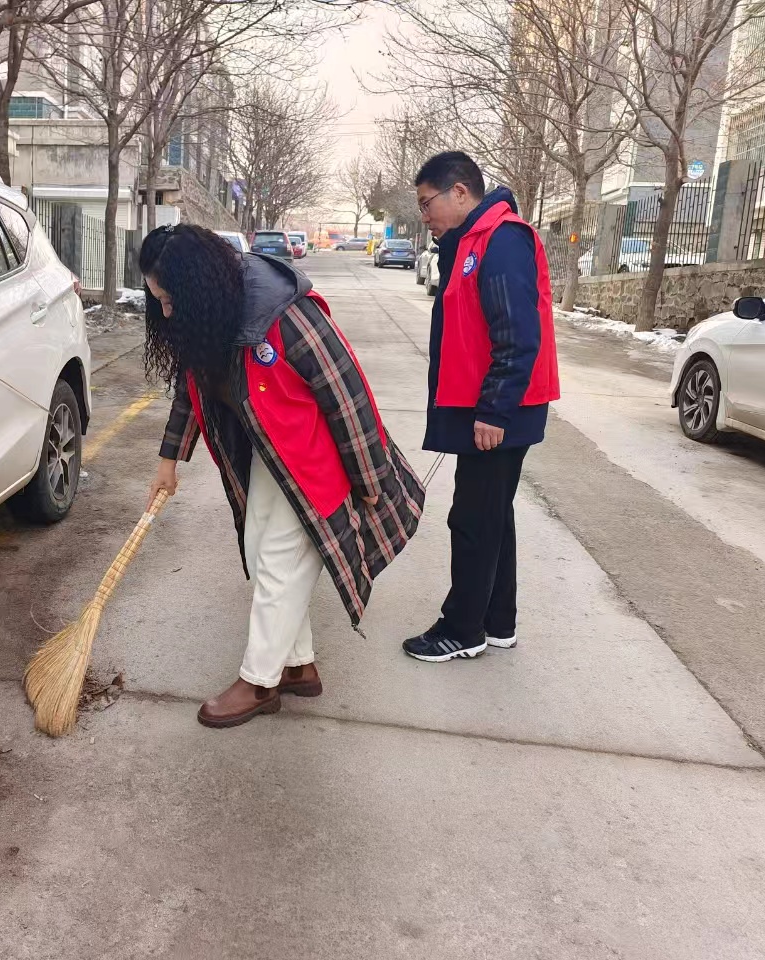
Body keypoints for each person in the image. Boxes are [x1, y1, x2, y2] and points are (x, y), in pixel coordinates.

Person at [143, 224, 427, 728]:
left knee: (279, 562)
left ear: (198, 284)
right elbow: (192, 387)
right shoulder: (206, 314)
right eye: (159, 302)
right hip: (272, 456)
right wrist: (169, 460)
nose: (166, 313)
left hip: (316, 462)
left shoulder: (287, 316)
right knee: (261, 553)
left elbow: (347, 396)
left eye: (169, 300)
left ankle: (259, 681)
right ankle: (298, 666)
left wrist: (370, 480)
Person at [402, 152, 560, 663]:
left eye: (427, 203)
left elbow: (517, 334)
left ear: (460, 192)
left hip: (498, 410)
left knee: (472, 519)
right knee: (493, 515)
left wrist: (494, 411)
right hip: (487, 405)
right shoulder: (472, 241)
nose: (425, 215)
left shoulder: (501, 239)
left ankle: (462, 629)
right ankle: (497, 622)